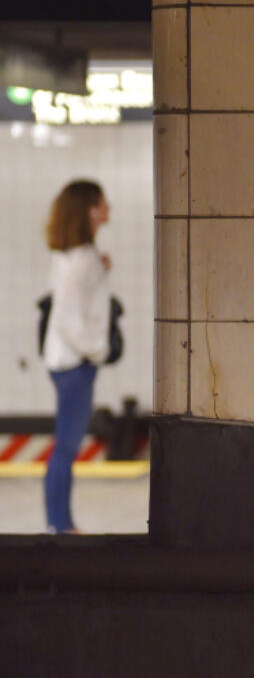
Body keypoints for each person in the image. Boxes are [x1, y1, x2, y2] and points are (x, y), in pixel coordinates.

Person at [42, 179, 111, 534]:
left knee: (65, 445)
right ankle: (60, 524)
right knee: (66, 446)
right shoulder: (83, 260)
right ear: (88, 210)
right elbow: (69, 318)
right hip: (75, 363)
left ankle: (61, 522)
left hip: (64, 360)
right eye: (102, 202)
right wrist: (100, 349)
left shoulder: (72, 255)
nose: (108, 207)